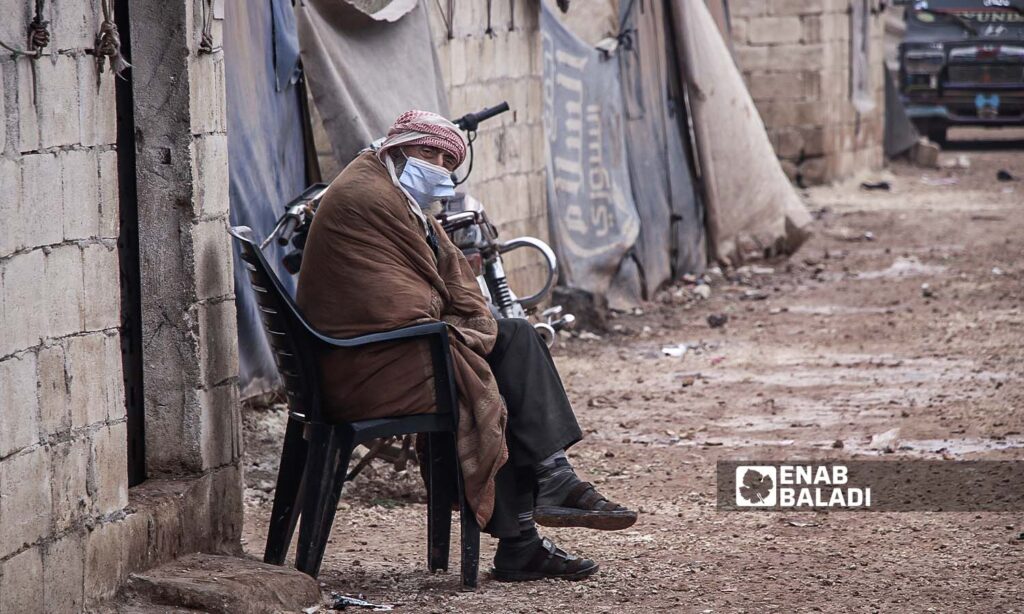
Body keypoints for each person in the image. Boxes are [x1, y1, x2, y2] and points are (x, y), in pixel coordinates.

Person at [296, 110, 636, 582]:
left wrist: (459, 315)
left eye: (445, 158)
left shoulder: (386, 189)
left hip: (364, 357)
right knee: (507, 353)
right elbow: (412, 299)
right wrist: (461, 318)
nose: (436, 164)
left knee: (510, 347)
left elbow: (442, 277)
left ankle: (533, 517)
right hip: (364, 368)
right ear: (397, 149)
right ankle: (544, 494)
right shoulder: (370, 196)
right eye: (426, 152)